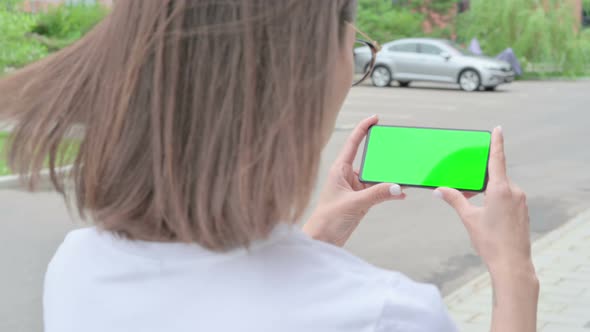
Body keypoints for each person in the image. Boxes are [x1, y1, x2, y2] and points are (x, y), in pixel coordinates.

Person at [0, 1, 539, 331]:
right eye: (354, 51)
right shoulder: (386, 314)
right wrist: (514, 273)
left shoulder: (76, 266)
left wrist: (315, 240)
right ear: (302, 76)